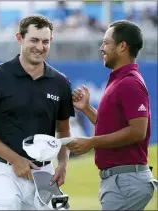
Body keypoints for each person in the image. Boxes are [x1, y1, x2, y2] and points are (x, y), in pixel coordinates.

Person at [0, 14, 74, 210]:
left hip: (43, 171)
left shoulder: (60, 82)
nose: (40, 47)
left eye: (45, 41)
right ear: (20, 38)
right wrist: (15, 159)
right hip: (1, 169)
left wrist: (63, 163)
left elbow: (63, 130)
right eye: (34, 40)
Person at [67, 20, 157, 210]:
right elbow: (111, 126)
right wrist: (86, 109)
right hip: (122, 181)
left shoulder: (130, 83)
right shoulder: (120, 81)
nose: (101, 48)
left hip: (125, 182)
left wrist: (91, 142)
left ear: (122, 46)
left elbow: (137, 132)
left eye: (106, 42)